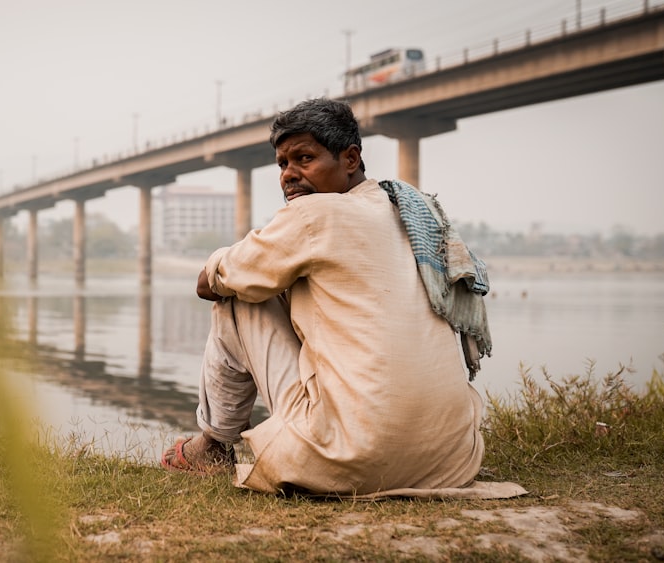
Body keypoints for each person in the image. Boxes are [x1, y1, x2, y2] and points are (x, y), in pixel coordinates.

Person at [161, 98, 493, 496]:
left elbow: (206, 284)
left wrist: (237, 269)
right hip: (452, 460)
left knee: (236, 296)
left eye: (304, 158)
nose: (289, 175)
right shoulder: (410, 214)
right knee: (286, 286)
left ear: (350, 159)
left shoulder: (313, 215)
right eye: (283, 164)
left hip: (347, 458)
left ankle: (213, 447)